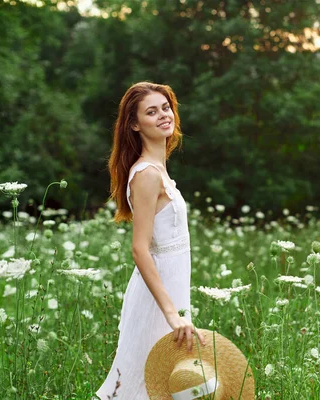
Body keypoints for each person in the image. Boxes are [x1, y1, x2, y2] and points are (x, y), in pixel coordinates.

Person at [96, 81, 206, 399]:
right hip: (158, 299)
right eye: (151, 111)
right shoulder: (146, 174)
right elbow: (139, 248)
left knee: (167, 383)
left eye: (165, 107)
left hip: (173, 287)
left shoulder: (159, 169)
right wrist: (171, 313)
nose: (162, 115)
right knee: (141, 384)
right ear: (134, 124)